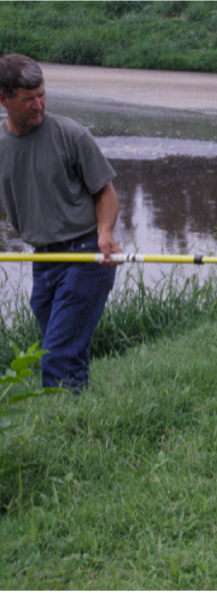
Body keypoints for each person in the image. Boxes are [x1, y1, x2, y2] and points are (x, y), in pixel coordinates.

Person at [0, 54, 122, 394]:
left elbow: (107, 194)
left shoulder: (71, 134)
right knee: (59, 349)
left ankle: (65, 426)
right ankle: (81, 417)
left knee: (58, 356)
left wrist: (105, 233)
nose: (38, 105)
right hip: (43, 260)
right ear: (4, 100)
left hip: (86, 255)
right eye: (28, 100)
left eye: (42, 94)